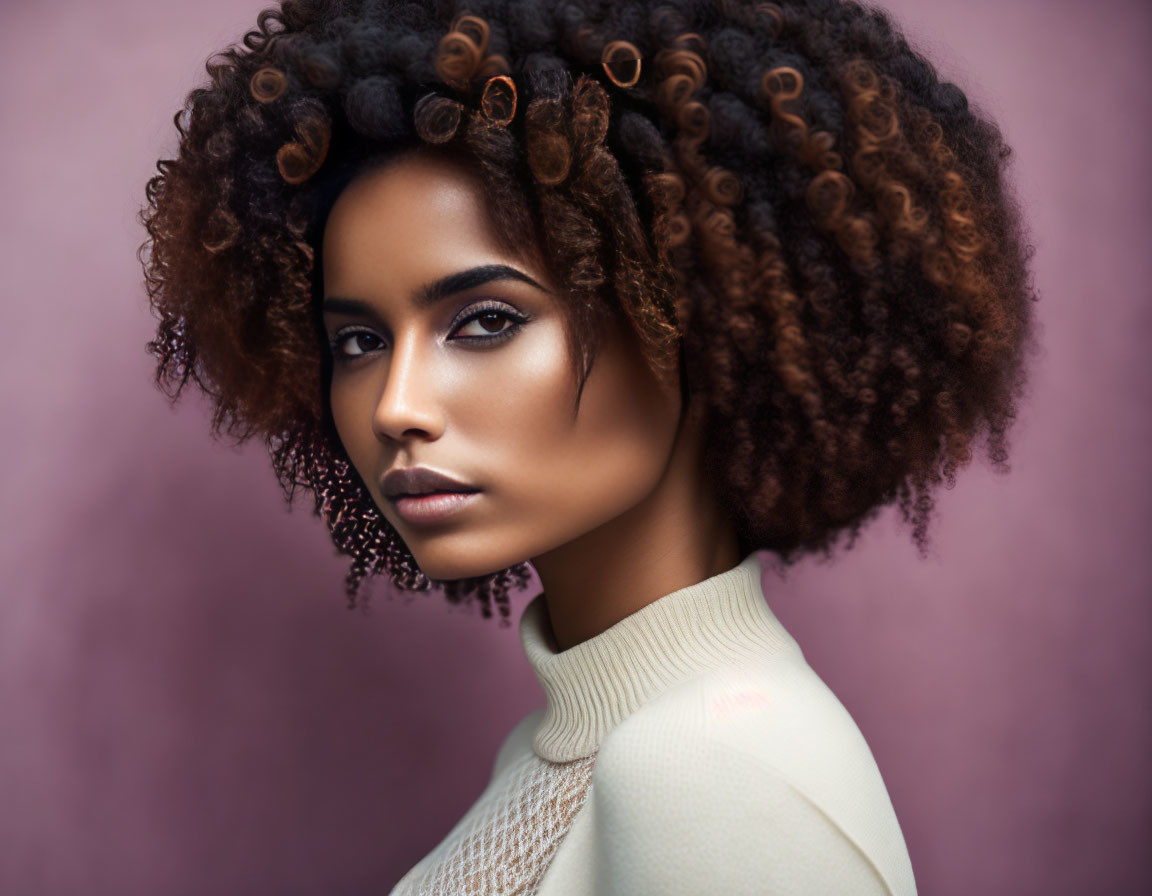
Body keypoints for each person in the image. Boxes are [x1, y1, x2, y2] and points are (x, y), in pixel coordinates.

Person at [139, 0, 1036, 892]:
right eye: (360, 342)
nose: (395, 406)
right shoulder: (556, 752)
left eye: (484, 320)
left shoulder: (712, 767)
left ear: (693, 314)